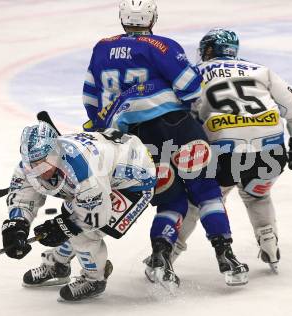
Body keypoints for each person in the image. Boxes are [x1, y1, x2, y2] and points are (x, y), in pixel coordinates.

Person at [82, 0, 248, 289]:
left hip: (135, 140)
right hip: (177, 126)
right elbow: (191, 87)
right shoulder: (162, 46)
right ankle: (226, 256)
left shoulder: (101, 48)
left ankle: (161, 257)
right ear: (153, 18)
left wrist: (104, 126)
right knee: (207, 191)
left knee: (170, 199)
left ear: (122, 18)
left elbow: (90, 100)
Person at [173, 28, 292, 273]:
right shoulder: (260, 70)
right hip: (270, 152)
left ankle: (169, 252)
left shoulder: (193, 74)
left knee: (200, 201)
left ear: (208, 50)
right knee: (257, 194)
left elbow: (182, 114)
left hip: (225, 152)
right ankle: (270, 243)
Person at [1, 117, 156, 301]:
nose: (38, 171)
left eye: (43, 162)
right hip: (104, 173)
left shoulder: (84, 169)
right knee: (69, 220)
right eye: (32, 164)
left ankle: (95, 279)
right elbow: (22, 196)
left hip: (134, 181)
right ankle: (59, 265)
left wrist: (62, 227)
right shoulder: (32, 166)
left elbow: (96, 216)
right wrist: (17, 224)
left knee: (84, 233)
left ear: (55, 151)